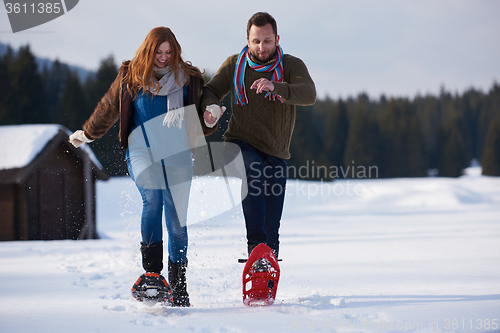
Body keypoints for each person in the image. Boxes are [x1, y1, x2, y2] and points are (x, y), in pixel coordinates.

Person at [69, 27, 215, 306]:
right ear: (149, 51)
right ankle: (152, 274)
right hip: (141, 149)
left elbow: (202, 116)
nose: (163, 58)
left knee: (177, 223)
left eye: (168, 53)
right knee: (153, 197)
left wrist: (210, 119)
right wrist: (87, 133)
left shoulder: (188, 79)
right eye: (158, 52)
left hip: (177, 152)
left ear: (175, 52)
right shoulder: (131, 76)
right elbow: (109, 107)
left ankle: (179, 286)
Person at [201, 12, 316, 260]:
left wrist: (277, 86)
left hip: (276, 151)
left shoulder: (291, 66)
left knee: (271, 224)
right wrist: (210, 108)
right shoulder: (235, 64)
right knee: (253, 171)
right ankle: (255, 250)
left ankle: (267, 265)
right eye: (256, 41)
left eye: (267, 41)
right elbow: (211, 90)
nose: (261, 47)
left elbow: (309, 93)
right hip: (238, 143)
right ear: (248, 39)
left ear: (276, 39)